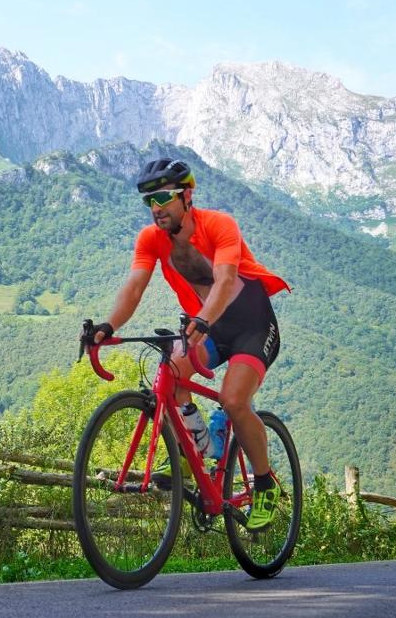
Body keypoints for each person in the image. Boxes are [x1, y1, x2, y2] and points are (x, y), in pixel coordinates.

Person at [87, 158, 290, 530]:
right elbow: (134, 288)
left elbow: (226, 281)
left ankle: (264, 484)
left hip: (252, 325)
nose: (157, 208)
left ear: (187, 195)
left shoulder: (219, 225)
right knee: (171, 373)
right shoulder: (151, 239)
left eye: (163, 197)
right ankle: (193, 451)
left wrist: (203, 319)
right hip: (206, 326)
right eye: (149, 201)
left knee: (232, 399)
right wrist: (108, 325)